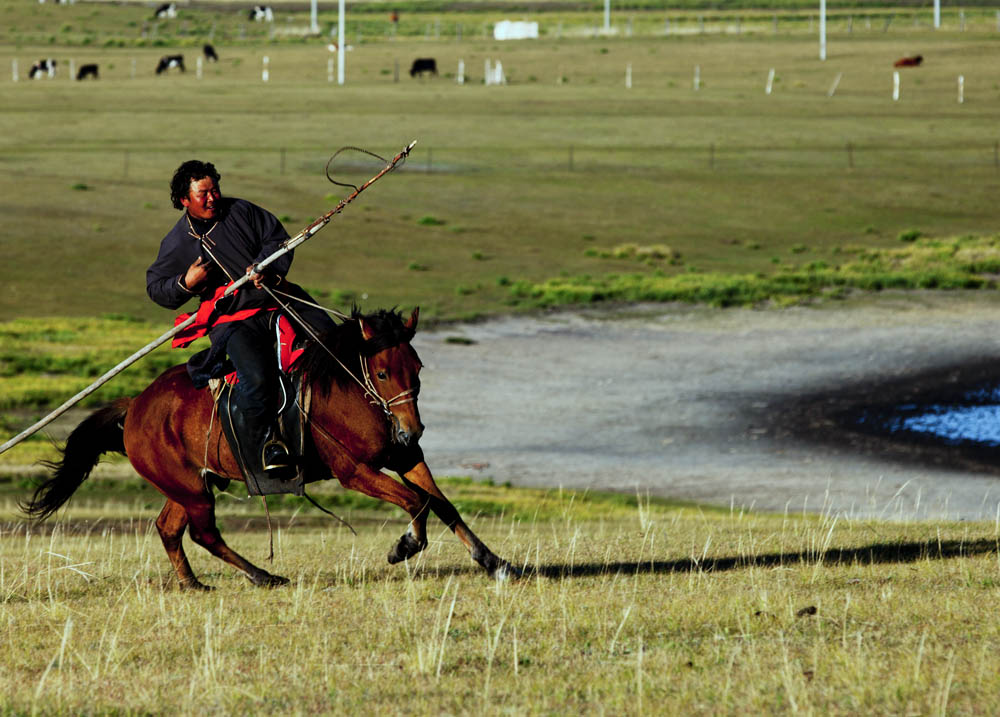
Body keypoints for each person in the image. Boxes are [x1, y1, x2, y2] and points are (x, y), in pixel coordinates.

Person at [146, 160, 334, 484]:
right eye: (203, 194)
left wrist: (264, 266)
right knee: (258, 377)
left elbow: (277, 239)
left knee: (336, 341)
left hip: (278, 300)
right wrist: (186, 283)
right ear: (183, 201)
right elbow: (156, 287)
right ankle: (268, 447)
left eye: (215, 189)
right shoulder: (177, 242)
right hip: (233, 321)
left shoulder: (242, 211)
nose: (212, 198)